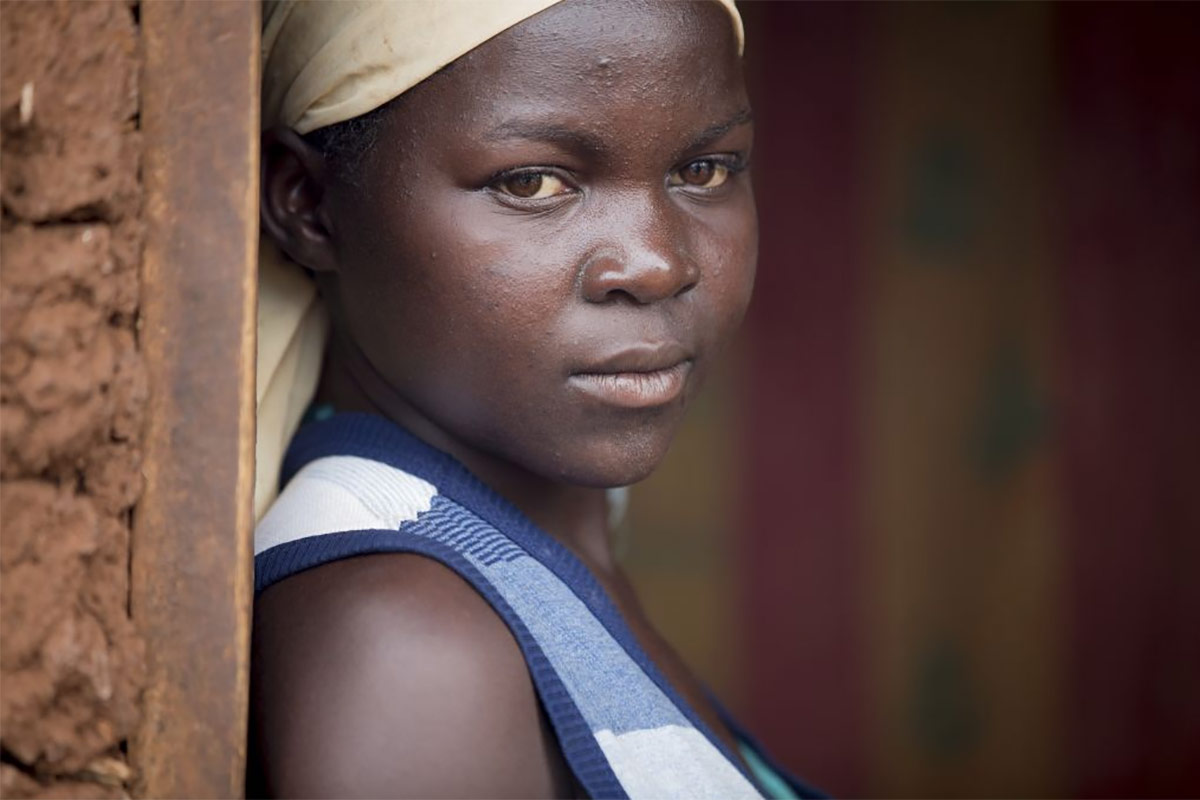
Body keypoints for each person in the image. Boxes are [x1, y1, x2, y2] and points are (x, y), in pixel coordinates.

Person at [250, 1, 823, 797]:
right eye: (533, 182)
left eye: (705, 170)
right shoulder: (408, 645)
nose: (656, 264)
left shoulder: (522, 557)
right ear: (306, 204)